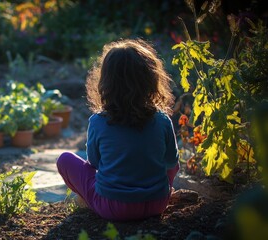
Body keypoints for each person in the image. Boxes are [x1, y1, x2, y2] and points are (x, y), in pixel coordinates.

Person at [57, 39, 180, 221]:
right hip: (157, 203)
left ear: (106, 82)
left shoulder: (98, 121)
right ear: (151, 79)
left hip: (113, 207)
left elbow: (95, 163)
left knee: (65, 159)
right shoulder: (162, 120)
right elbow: (172, 164)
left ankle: (88, 201)